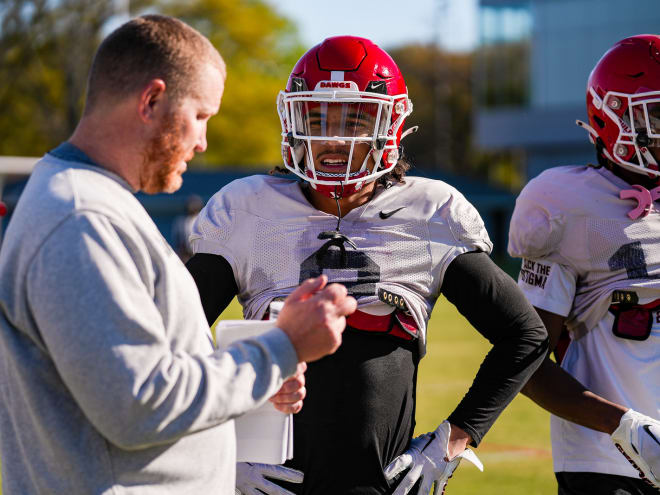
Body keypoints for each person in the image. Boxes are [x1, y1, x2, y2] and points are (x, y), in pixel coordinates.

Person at [0, 15, 357, 495]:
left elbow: (137, 381)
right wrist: (281, 348)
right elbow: (139, 404)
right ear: (151, 100)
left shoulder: (90, 201)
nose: (203, 141)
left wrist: (256, 380)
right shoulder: (80, 217)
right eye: (201, 116)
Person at [186, 35, 549, 495]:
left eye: (354, 120)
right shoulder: (247, 209)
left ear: (392, 125)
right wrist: (216, 451)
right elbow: (168, 342)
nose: (333, 138)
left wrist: (451, 443)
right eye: (317, 119)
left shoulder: (429, 212)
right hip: (263, 483)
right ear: (292, 121)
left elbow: (525, 335)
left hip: (384, 485)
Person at [508, 35, 660, 495]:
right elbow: (525, 364)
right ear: (611, 117)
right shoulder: (567, 203)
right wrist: (628, 428)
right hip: (610, 462)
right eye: (657, 115)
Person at [172, 194, 204, 261]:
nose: (191, 207)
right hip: (185, 255)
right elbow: (178, 241)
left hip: (200, 254)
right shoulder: (180, 221)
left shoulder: (203, 220)